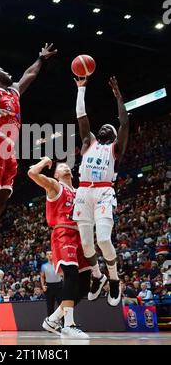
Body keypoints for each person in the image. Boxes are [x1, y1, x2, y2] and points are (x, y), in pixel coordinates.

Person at [0, 43, 57, 279]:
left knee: (2, 197)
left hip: (9, 149)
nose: (9, 73)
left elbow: (30, 75)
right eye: (4, 70)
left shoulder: (13, 91)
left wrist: (40, 58)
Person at [73, 76, 129, 306]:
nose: (106, 126)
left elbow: (124, 123)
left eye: (110, 127)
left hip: (104, 192)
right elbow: (81, 116)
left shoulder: (115, 150)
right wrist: (81, 88)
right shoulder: (89, 142)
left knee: (104, 240)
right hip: (83, 193)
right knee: (86, 244)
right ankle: (98, 276)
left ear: (115, 137)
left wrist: (118, 97)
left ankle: (114, 279)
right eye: (103, 126)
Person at [28, 157, 91, 339]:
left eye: (67, 166)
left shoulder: (79, 191)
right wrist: (45, 161)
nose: (66, 168)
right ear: (55, 174)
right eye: (61, 167)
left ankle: (53, 319)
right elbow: (32, 173)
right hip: (63, 233)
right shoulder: (55, 186)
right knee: (70, 275)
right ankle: (69, 325)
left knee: (84, 285)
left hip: (80, 235)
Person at [40, 251, 63, 316]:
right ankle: (51, 324)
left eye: (51, 254)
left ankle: (64, 323)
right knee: (50, 306)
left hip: (59, 286)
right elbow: (42, 276)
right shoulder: (43, 266)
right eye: (48, 254)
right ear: (46, 256)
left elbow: (63, 274)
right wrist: (43, 286)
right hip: (49, 287)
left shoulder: (58, 264)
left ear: (54, 255)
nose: (49, 255)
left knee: (61, 306)